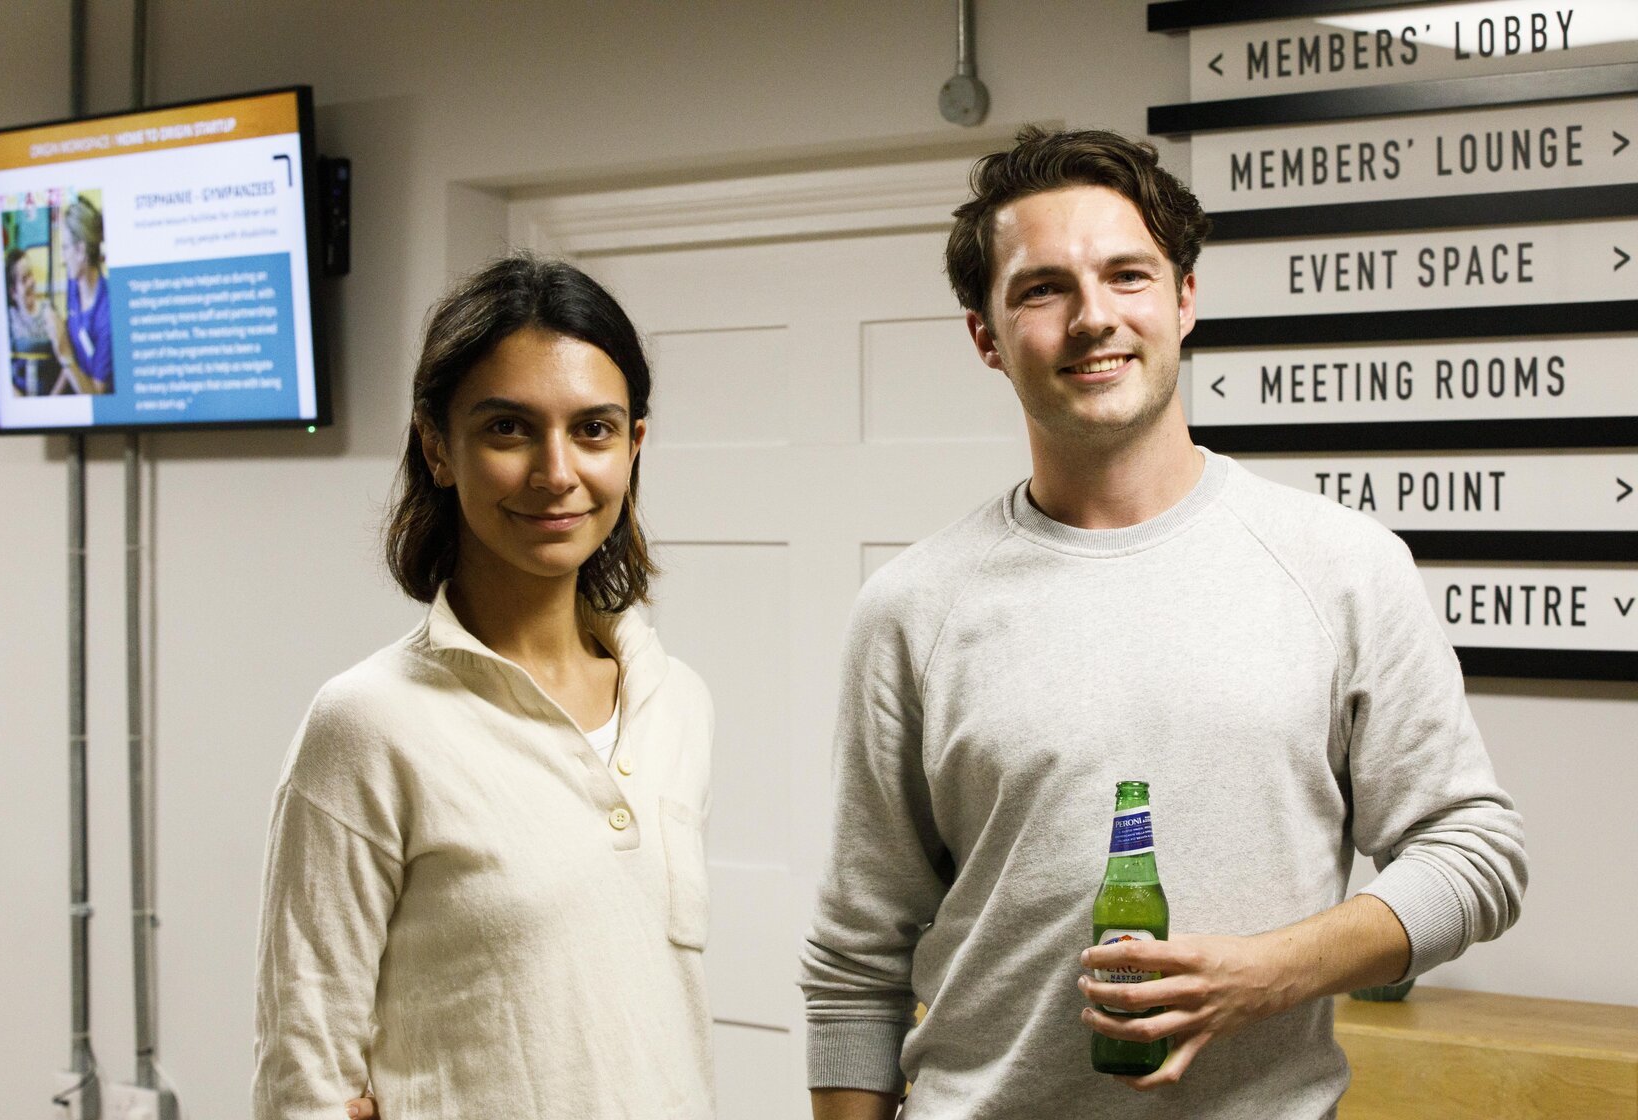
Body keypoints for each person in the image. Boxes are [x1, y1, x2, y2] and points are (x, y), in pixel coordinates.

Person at [798, 127, 1526, 1119]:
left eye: (1128, 275)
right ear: (986, 335)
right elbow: (854, 961)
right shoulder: (913, 608)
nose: (1094, 318)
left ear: (1185, 297)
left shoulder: (1345, 565)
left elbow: (1474, 852)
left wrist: (1272, 971)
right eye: (1042, 289)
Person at [253, 254, 715, 1119]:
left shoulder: (677, 700)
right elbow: (303, 1073)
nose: (556, 472)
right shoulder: (367, 724)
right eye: (508, 429)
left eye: (593, 430)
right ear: (439, 447)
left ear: (634, 445)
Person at [46, 195, 113, 395]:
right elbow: (72, 355)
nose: (63, 258)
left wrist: (64, 355)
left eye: (65, 248)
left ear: (81, 251)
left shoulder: (107, 315)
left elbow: (96, 395)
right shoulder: (73, 285)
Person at [3, 247, 56, 395]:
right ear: (13, 291)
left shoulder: (49, 311)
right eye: (24, 279)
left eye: (31, 274)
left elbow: (65, 363)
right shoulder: (9, 320)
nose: (32, 282)